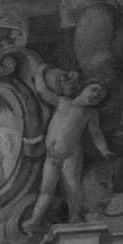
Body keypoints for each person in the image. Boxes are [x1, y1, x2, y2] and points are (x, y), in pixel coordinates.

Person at [23, 69, 112, 233]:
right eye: (94, 90)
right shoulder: (64, 102)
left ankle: (75, 216)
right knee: (46, 189)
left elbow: (96, 133)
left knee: (72, 186)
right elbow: (42, 91)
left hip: (72, 154)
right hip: (52, 156)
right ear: (84, 87)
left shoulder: (90, 114)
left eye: (99, 97)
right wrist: (41, 71)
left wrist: (104, 149)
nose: (95, 95)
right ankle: (35, 219)